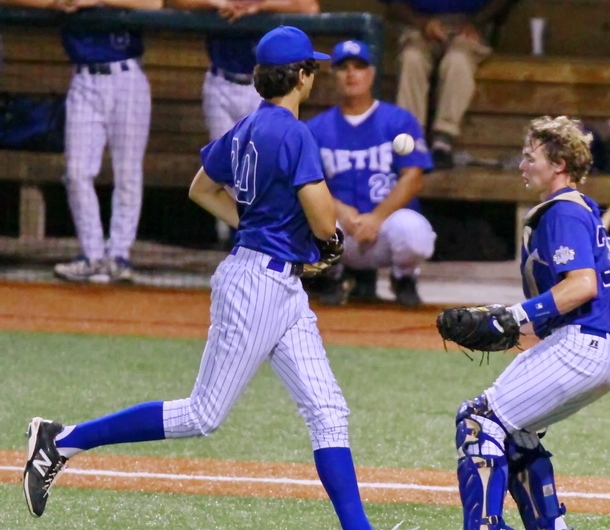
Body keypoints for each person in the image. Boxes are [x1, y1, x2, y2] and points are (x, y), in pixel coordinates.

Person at [22, 26, 377, 530]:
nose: (312, 76)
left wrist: (258, 229)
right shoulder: (294, 132)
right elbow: (322, 221)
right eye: (310, 69)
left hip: (278, 284)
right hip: (258, 285)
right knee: (202, 414)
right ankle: (61, 441)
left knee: (328, 411)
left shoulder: (247, 126)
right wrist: (331, 241)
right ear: (301, 76)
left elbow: (202, 189)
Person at [453, 116, 610, 530]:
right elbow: (566, 300)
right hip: (597, 347)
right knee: (516, 434)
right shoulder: (578, 208)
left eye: (531, 158)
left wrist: (513, 316)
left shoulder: (562, 212)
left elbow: (581, 285)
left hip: (581, 346)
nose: (522, 166)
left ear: (559, 164)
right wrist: (510, 324)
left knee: (478, 421)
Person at [1, 0, 162, 282]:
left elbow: (153, 3)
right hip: (84, 80)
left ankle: (119, 255)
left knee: (127, 172)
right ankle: (92, 254)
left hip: (126, 77)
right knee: (76, 172)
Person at [168, 0, 319, 248]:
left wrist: (259, 7)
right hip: (220, 80)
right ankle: (234, 237)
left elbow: (309, 7)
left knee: (259, 163)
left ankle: (258, 234)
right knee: (227, 166)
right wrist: (218, 2)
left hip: (260, 85)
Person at [305, 39, 435, 308]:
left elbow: (413, 177)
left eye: (359, 66)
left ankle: (404, 277)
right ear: (333, 75)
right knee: (306, 219)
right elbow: (308, 185)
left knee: (414, 231)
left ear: (372, 73)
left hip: (386, 229)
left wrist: (377, 217)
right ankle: (333, 276)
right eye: (344, 68)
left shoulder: (399, 120)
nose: (351, 74)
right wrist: (341, 211)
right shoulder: (315, 129)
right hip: (341, 230)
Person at [380, 0, 517, 170]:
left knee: (457, 60)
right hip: (419, 22)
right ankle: (410, 139)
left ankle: (443, 141)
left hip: (469, 24)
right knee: (412, 58)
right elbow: (393, 4)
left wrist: (476, 22)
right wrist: (422, 22)